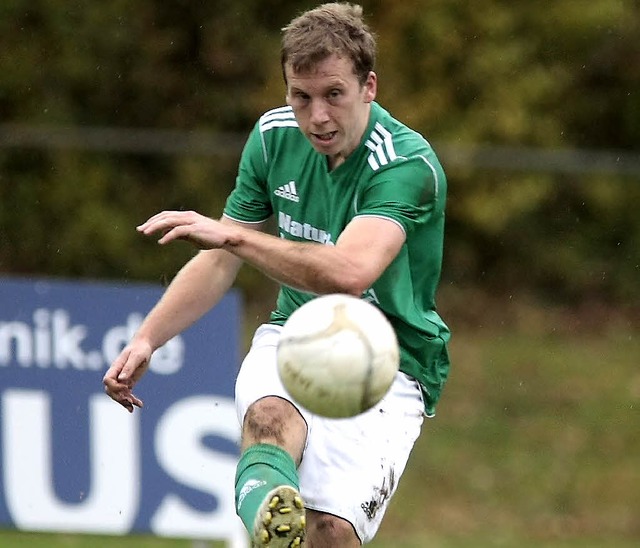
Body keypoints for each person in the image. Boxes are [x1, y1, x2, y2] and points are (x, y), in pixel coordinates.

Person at [103, 2, 451, 546]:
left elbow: (351, 272)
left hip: (390, 362)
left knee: (331, 533)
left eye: (333, 94)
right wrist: (149, 338)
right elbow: (219, 260)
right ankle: (268, 516)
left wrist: (237, 236)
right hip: (299, 331)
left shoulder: (405, 164)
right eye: (301, 95)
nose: (317, 117)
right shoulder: (273, 137)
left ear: (369, 87)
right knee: (268, 416)